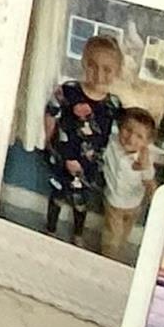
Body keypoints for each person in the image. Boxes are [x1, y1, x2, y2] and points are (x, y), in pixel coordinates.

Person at [41, 30, 125, 247]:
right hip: (63, 155)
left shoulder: (113, 103)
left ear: (117, 71)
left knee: (81, 200)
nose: (98, 73)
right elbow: (51, 112)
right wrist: (49, 139)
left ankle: (78, 233)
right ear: (84, 63)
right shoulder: (69, 90)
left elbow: (125, 129)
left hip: (90, 163)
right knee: (58, 193)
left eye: (107, 69)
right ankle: (50, 228)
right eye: (92, 65)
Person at [98, 104, 159, 260]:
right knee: (112, 236)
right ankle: (108, 259)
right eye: (127, 130)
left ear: (148, 141)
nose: (131, 138)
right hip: (114, 202)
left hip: (134, 204)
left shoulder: (145, 157)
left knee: (125, 233)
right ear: (119, 127)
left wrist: (154, 196)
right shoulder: (111, 145)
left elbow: (149, 181)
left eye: (139, 136)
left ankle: (117, 251)